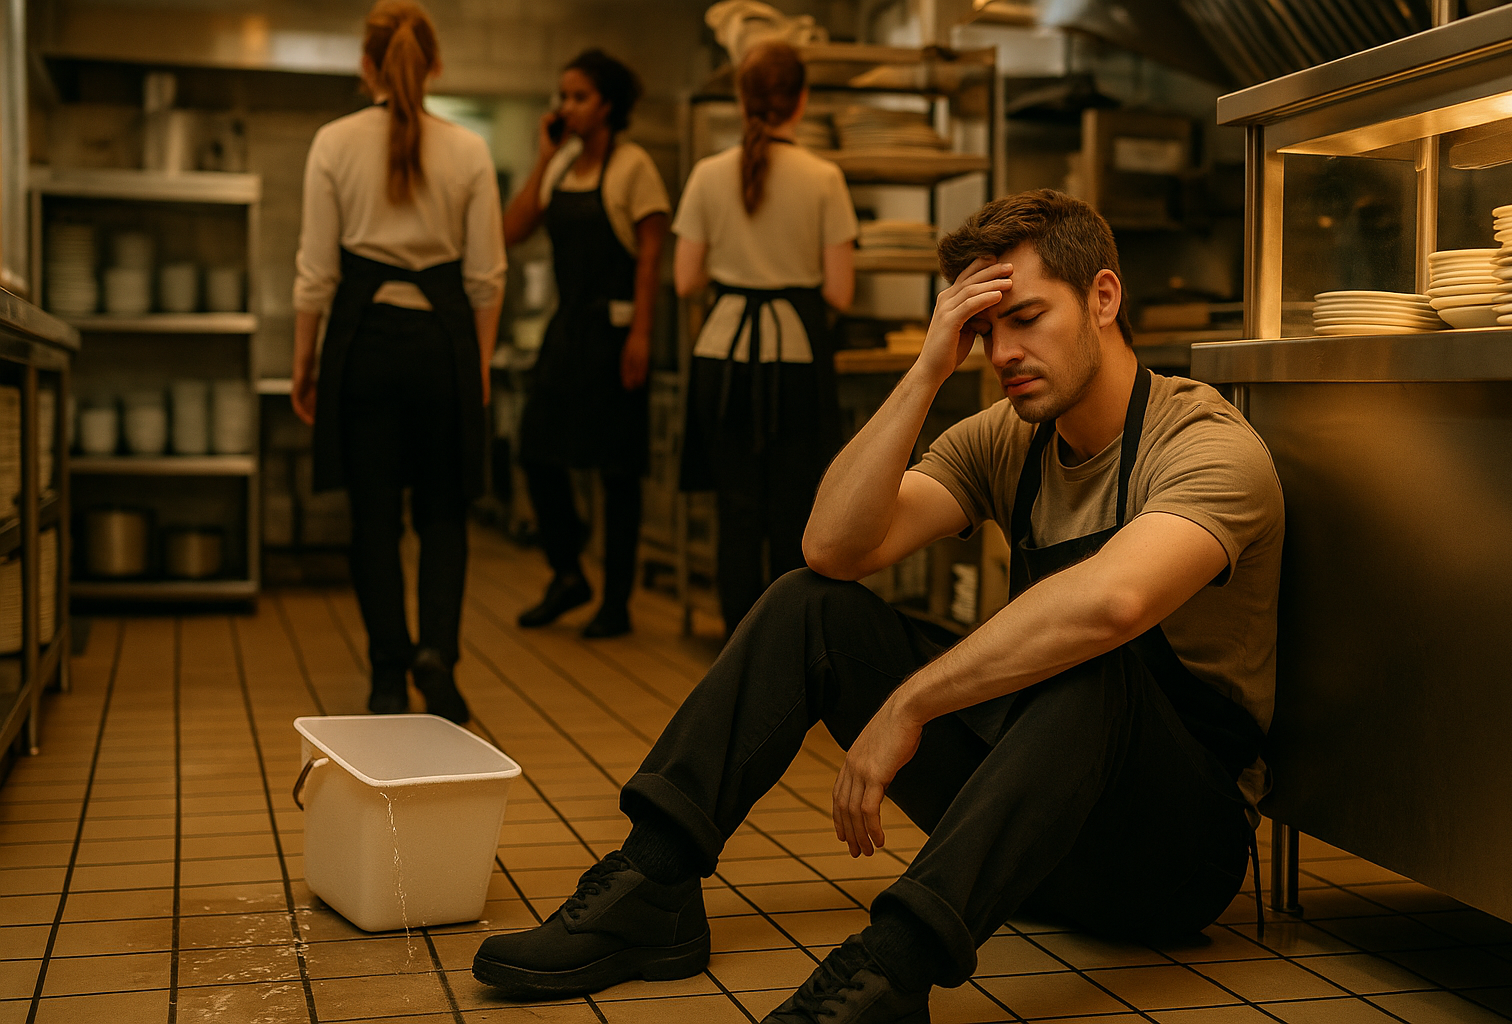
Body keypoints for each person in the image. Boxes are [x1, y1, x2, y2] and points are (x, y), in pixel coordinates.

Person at [471, 189, 1284, 1024]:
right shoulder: (1009, 436)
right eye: (982, 331)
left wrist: (912, 700)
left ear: (1103, 298)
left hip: (1170, 851)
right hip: (1036, 830)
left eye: (1028, 318)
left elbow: (1113, 602)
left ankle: (892, 969)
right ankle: (652, 884)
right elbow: (832, 547)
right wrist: (929, 366)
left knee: (1094, 663)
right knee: (807, 607)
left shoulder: (1205, 445)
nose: (1003, 352)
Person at [291, 0, 504, 723]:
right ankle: (436, 656)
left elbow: (316, 271)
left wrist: (305, 362)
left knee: (373, 521)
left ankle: (387, 672)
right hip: (442, 348)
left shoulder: (333, 143)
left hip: (364, 347)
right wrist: (475, 367)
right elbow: (487, 280)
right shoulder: (470, 150)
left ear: (366, 66)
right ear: (435, 64)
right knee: (444, 515)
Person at [672, 40, 856, 637]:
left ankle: (735, 645)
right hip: (795, 356)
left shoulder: (706, 175)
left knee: (736, 509)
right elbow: (840, 293)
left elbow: (684, 281)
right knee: (794, 510)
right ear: (801, 101)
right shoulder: (825, 177)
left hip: (722, 354)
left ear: (741, 99)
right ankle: (784, 645)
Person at [504, 49, 671, 639]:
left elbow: (651, 258)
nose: (565, 107)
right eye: (562, 97)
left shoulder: (634, 168)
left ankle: (616, 603)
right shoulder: (559, 165)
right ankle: (567, 572)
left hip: (618, 331)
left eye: (577, 96)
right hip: (567, 327)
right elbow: (511, 229)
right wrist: (545, 155)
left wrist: (642, 335)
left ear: (607, 105)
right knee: (535, 450)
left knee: (616, 470)